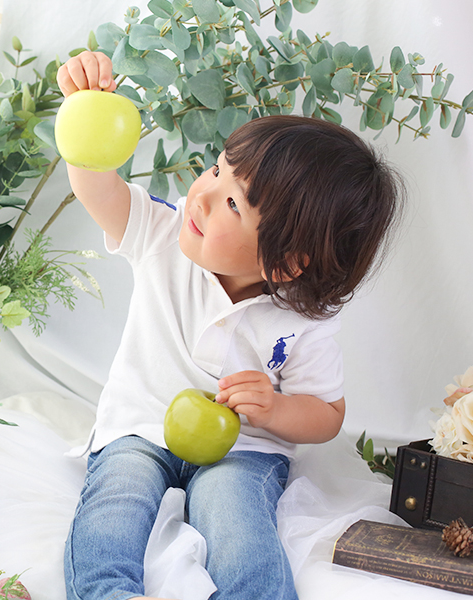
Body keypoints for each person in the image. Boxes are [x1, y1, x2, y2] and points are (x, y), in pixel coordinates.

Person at [57, 51, 404, 600]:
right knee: (113, 507)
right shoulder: (161, 234)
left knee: (237, 523)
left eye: (233, 205)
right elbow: (96, 187)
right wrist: (85, 105)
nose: (202, 194)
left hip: (244, 448)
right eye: (217, 169)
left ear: (288, 263)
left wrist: (276, 409)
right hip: (140, 427)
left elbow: (327, 415)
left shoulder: (302, 324)